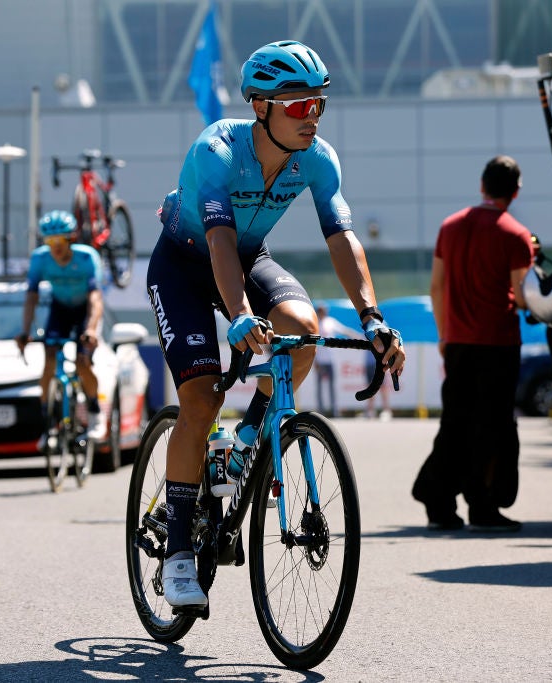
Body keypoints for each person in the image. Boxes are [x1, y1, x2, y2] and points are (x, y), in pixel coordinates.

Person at [146, 40, 405, 609]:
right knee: (199, 401)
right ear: (260, 105)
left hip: (247, 256)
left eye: (318, 104)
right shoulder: (216, 148)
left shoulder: (319, 158)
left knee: (301, 330)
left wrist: (374, 317)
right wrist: (238, 316)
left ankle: (242, 447)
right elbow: (216, 241)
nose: (311, 116)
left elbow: (342, 240)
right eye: (297, 106)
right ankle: (180, 551)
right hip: (186, 264)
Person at [411, 155, 534, 533]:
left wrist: (445, 335)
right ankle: (483, 505)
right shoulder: (516, 235)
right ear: (514, 192)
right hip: (498, 342)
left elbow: (436, 286)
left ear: (482, 185)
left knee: (455, 423)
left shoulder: (450, 227)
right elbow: (523, 295)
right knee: (492, 426)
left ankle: (438, 500)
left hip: (459, 341)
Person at [15, 210, 106, 442]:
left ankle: (95, 413)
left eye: (60, 240)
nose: (55, 246)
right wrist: (25, 331)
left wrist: (91, 330)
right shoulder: (40, 258)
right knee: (48, 362)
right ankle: (48, 424)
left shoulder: (86, 258)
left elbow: (96, 299)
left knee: (82, 362)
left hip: (85, 311)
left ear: (70, 239)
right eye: (50, 241)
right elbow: (31, 297)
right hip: (60, 310)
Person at [314, 303, 363, 417]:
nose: (323, 313)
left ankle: (334, 410)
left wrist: (358, 336)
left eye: (324, 310)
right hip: (320, 360)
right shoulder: (315, 324)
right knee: (320, 387)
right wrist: (315, 361)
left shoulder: (330, 322)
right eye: (321, 310)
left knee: (332, 386)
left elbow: (344, 330)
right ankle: (320, 411)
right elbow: (313, 344)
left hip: (330, 360)